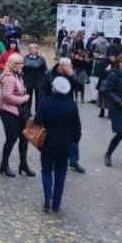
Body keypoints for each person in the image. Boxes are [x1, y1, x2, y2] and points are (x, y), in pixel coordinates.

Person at [34, 77, 82, 213]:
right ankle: (56, 203)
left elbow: (38, 120)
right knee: (61, 173)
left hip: (48, 142)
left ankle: (47, 197)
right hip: (65, 145)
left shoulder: (46, 103)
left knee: (47, 169)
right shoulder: (72, 105)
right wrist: (74, 142)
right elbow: (77, 128)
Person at [0, 53, 34, 178]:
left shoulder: (18, 76)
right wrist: (23, 98)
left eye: (21, 63)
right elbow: (6, 97)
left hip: (18, 111)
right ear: (11, 64)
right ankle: (4, 165)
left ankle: (23, 164)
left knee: (24, 138)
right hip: (8, 111)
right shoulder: (9, 77)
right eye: (17, 63)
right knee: (11, 138)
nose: (19, 65)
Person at [22, 43, 48, 115]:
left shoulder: (41, 59)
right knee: (27, 98)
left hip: (38, 82)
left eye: (33, 48)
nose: (31, 49)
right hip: (27, 81)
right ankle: (27, 112)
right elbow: (21, 69)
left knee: (39, 98)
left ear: (37, 49)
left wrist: (45, 81)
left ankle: (38, 113)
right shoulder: (24, 58)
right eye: (30, 48)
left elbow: (45, 70)